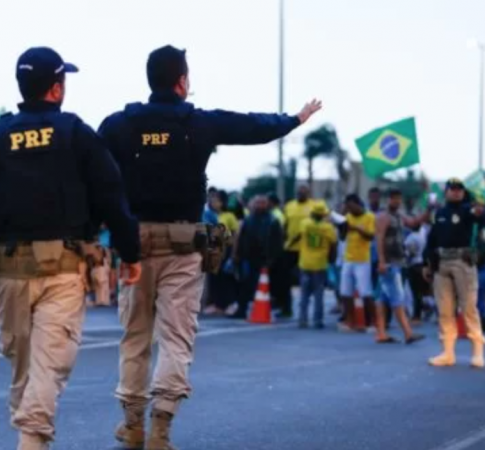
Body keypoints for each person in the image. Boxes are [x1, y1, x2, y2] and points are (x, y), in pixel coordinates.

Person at [98, 44, 322, 450]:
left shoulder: (118, 125)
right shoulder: (197, 123)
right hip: (183, 246)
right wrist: (295, 119)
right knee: (176, 338)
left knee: (134, 337)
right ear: (183, 81)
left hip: (134, 246)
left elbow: (95, 175)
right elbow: (252, 126)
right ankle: (161, 430)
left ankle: (131, 425)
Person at [0, 47, 142, 450]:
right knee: (46, 364)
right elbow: (112, 194)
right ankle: (32, 437)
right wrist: (130, 253)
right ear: (57, 88)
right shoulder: (75, 133)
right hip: (62, 271)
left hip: (8, 271)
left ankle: (31, 437)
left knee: (27, 365)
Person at [424, 178, 485, 368]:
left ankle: (477, 352)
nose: (456, 192)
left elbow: (481, 219)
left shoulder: (468, 210)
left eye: (459, 189)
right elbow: (432, 239)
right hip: (442, 263)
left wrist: (480, 210)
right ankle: (448, 353)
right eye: (452, 189)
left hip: (463, 261)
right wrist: (427, 264)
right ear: (446, 192)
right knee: (444, 310)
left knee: (469, 308)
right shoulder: (440, 213)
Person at [374, 189, 426, 344]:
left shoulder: (398, 215)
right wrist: (382, 261)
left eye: (399, 199)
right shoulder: (383, 217)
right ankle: (408, 333)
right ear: (389, 199)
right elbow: (379, 239)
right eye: (394, 199)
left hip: (395, 262)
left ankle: (381, 333)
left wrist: (429, 210)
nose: (397, 201)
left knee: (382, 299)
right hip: (390, 263)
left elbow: (413, 222)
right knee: (397, 298)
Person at [275, 184, 315, 317]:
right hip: (290, 248)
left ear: (308, 193)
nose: (301, 193)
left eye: (304, 191)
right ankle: (286, 308)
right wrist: (282, 241)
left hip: (308, 249)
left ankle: (308, 310)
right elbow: (284, 226)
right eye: (299, 191)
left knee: (308, 280)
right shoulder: (289, 206)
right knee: (284, 279)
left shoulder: (314, 206)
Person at [338, 194, 376, 332]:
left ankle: (372, 322)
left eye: (350, 206)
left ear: (357, 204)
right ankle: (350, 321)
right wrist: (341, 223)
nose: (348, 209)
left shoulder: (369, 217)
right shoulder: (347, 217)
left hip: (363, 260)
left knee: (366, 292)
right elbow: (342, 237)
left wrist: (356, 229)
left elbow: (371, 236)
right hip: (348, 259)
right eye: (346, 206)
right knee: (345, 292)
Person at [297, 200, 337, 329]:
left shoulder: (304, 224)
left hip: (305, 263)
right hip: (320, 264)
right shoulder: (328, 228)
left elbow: (299, 236)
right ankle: (317, 320)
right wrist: (332, 260)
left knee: (304, 294)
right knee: (318, 294)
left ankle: (302, 320)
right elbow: (333, 245)